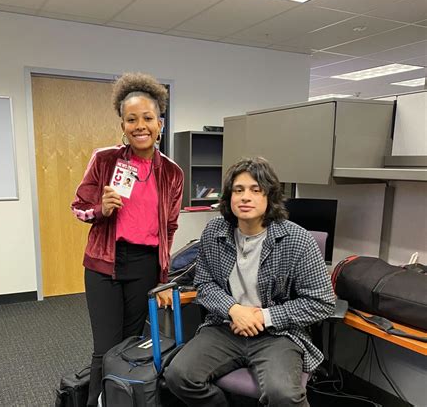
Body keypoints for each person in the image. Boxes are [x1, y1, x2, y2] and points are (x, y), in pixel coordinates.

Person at [165, 157, 335, 407]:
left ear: (270, 197)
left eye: (256, 190)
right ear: (229, 197)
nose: (246, 197)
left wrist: (262, 317)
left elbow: (322, 302)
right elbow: (204, 284)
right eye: (238, 190)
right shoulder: (214, 232)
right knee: (178, 376)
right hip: (225, 327)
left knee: (283, 395)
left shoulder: (297, 240)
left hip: (278, 334)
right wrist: (234, 310)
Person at [71, 72, 184, 406]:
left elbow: (170, 228)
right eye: (131, 119)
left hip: (145, 265)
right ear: (122, 125)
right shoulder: (105, 160)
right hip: (104, 264)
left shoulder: (172, 172)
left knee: (131, 344)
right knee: (105, 348)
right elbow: (78, 207)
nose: (140, 126)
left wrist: (163, 276)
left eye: (147, 118)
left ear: (160, 124)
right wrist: (101, 209)